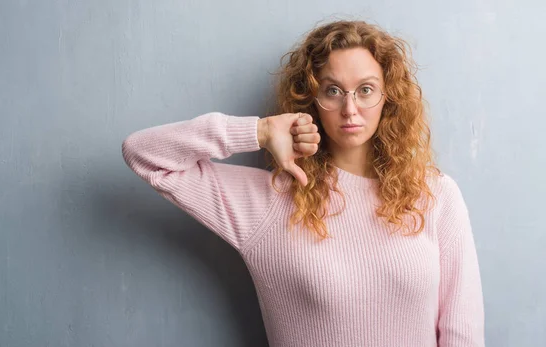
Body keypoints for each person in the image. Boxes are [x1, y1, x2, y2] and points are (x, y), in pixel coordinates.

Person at [122, 19, 484, 347]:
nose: (350, 109)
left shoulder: (435, 196)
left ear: (388, 96)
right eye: (333, 91)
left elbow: (462, 335)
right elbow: (145, 155)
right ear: (311, 98)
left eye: (366, 89)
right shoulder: (268, 202)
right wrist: (260, 131)